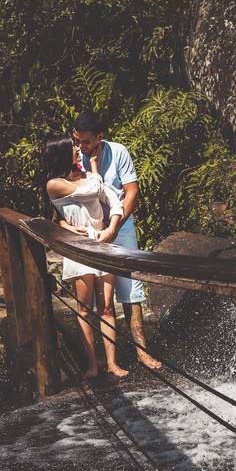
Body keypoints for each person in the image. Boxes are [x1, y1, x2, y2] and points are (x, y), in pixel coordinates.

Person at [68, 111, 161, 370]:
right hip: (89, 231)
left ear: (100, 137)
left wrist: (115, 227)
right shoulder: (74, 157)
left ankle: (142, 352)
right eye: (77, 140)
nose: (81, 146)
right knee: (96, 298)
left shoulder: (118, 152)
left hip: (121, 227)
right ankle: (101, 361)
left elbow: (131, 192)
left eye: (85, 141)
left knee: (131, 290)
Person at [42, 137, 129, 378]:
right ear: (61, 154)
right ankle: (92, 365)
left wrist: (111, 227)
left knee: (107, 307)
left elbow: (112, 198)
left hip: (101, 242)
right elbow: (95, 190)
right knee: (84, 308)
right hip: (78, 247)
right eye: (72, 147)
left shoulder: (83, 178)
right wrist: (94, 167)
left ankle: (112, 363)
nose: (78, 148)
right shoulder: (55, 184)